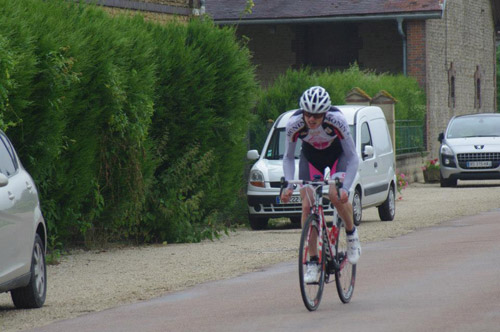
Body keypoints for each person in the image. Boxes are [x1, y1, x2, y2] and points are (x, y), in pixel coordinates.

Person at [280, 86, 361, 283]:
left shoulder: (337, 121)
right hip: (311, 158)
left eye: (316, 115)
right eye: (308, 114)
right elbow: (289, 157)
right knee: (307, 206)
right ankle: (313, 261)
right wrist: (288, 186)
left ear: (325, 113)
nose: (311, 119)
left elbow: (352, 157)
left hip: (337, 156)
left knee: (335, 195)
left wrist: (346, 188)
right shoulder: (294, 124)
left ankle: (351, 235)